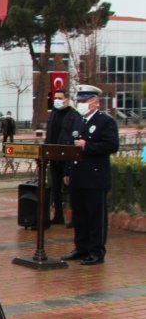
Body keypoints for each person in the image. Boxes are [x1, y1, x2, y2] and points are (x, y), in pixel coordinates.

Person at [61, 85, 119, 265]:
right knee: (79, 215)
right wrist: (68, 171)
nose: (81, 104)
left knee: (95, 216)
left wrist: (88, 146)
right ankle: (81, 247)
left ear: (96, 103)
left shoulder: (105, 122)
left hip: (95, 177)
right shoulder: (79, 121)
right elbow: (71, 147)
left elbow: (111, 146)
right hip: (78, 176)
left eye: (85, 101)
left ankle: (96, 251)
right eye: (79, 101)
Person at [45, 89, 82, 226]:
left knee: (70, 187)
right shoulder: (53, 114)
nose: (56, 100)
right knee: (55, 187)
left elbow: (73, 136)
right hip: (54, 156)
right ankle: (58, 215)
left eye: (59, 98)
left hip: (67, 156)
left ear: (66, 99)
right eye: (55, 98)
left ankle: (74, 218)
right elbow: (49, 135)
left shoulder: (74, 115)